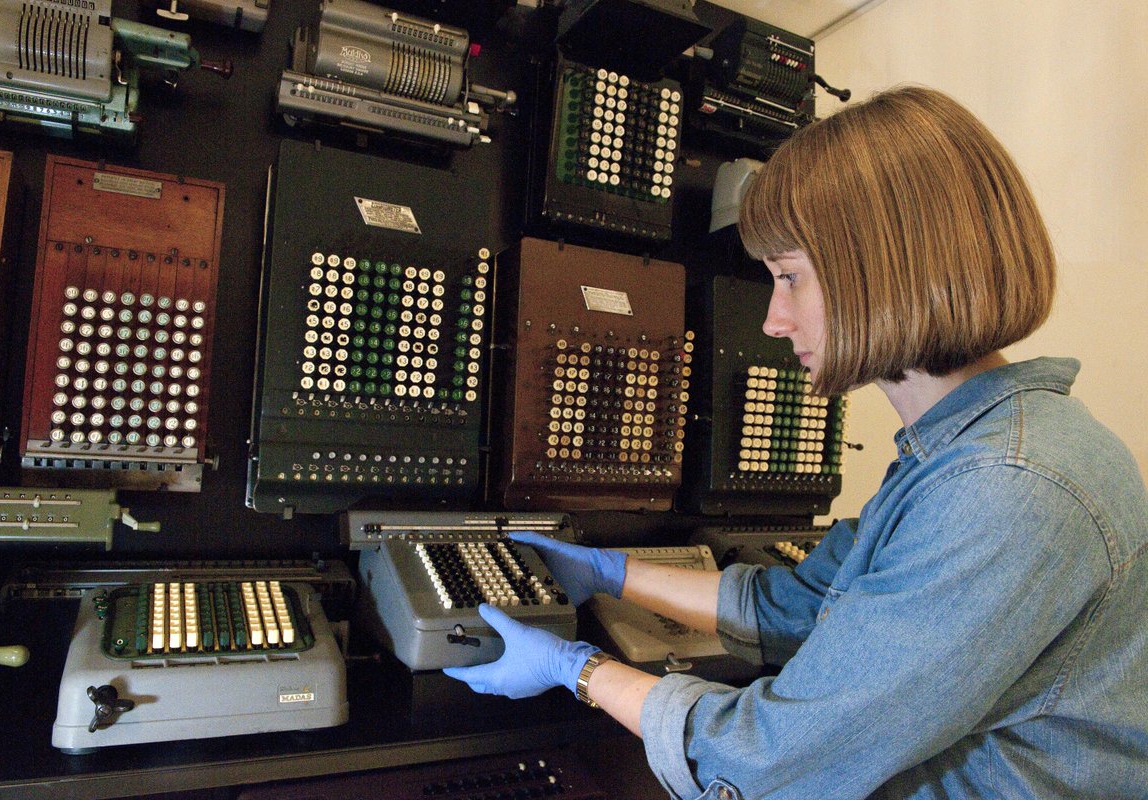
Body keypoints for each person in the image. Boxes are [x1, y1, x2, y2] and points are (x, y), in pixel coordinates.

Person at [443, 85, 1148, 799]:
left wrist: (577, 669)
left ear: (882, 273)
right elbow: (804, 607)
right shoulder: (963, 453)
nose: (775, 320)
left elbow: (774, 758)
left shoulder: (1006, 487)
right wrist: (609, 571)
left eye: (789, 278)